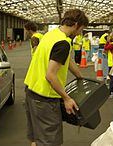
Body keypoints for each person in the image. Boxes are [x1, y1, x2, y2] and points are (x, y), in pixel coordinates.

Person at [24, 9, 89, 146]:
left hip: (31, 90)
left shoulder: (51, 34)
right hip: (45, 98)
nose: (79, 33)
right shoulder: (63, 43)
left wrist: (79, 76)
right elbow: (50, 75)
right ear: (76, 24)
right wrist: (67, 98)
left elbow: (66, 59)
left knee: (36, 138)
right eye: (81, 29)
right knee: (50, 141)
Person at [104, 32, 113, 98]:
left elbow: (106, 48)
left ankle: (111, 92)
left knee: (112, 78)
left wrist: (107, 41)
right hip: (112, 63)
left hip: (112, 64)